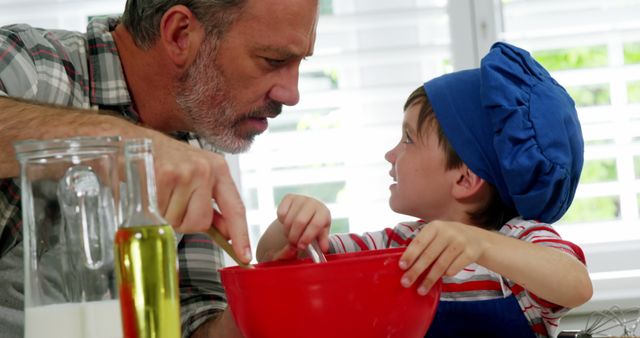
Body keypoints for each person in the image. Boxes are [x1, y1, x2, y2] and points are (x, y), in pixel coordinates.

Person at [0, 0, 319, 337]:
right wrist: (127, 145)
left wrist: (267, 295)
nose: (292, 94)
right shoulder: (34, 67)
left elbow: (193, 320)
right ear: (180, 34)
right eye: (274, 60)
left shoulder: (196, 131)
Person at [257, 42, 593, 338]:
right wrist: (295, 225)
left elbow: (576, 285)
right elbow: (277, 257)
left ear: (464, 179)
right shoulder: (394, 246)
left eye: (408, 139)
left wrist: (479, 244)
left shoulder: (521, 241)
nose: (391, 155)